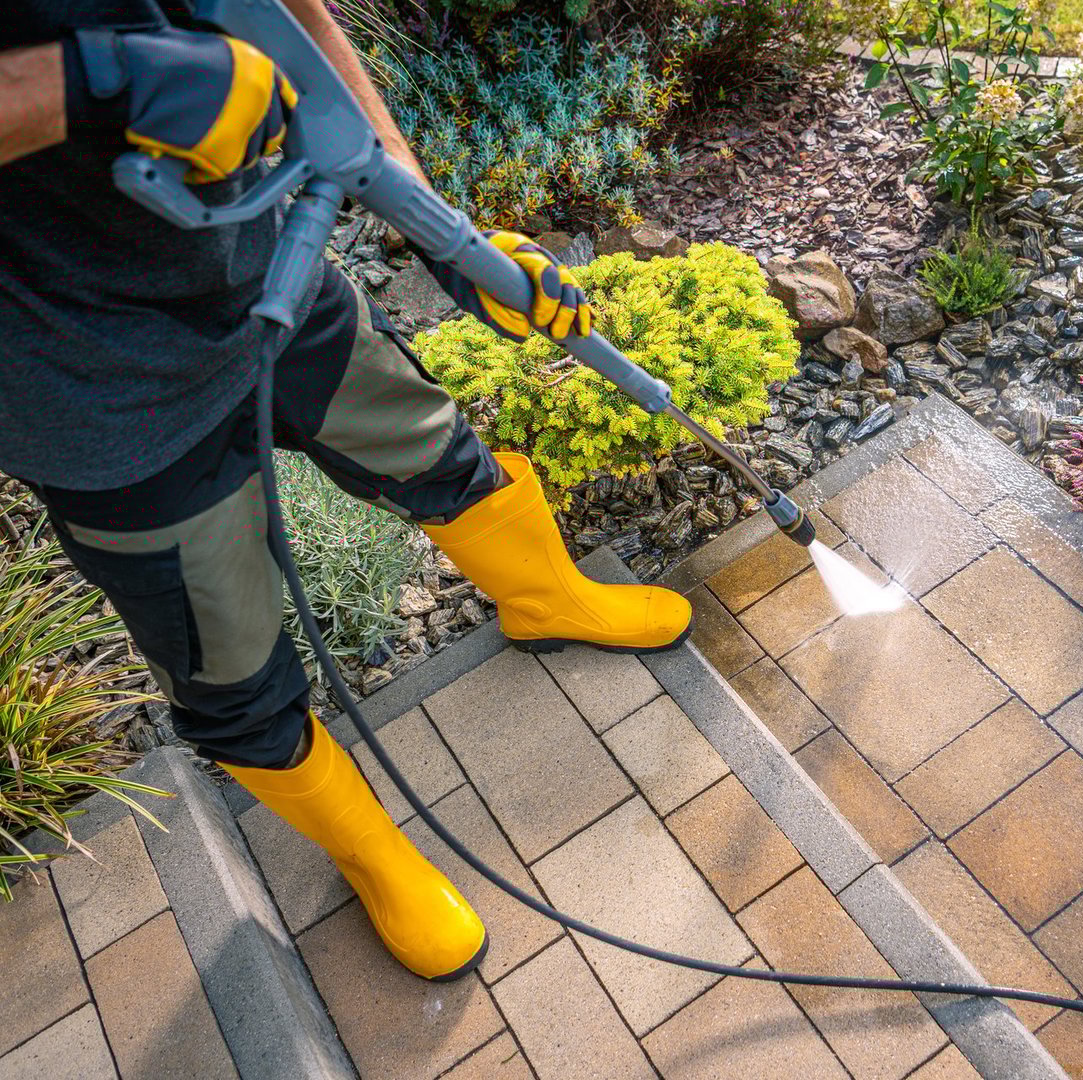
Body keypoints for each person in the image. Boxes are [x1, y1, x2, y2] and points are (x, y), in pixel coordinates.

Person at [0, 0, 693, 982]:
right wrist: (91, 82)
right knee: (230, 671)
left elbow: (299, 22)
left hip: (264, 273)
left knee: (437, 453)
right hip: (89, 396)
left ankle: (547, 600)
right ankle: (373, 855)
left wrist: (441, 235)